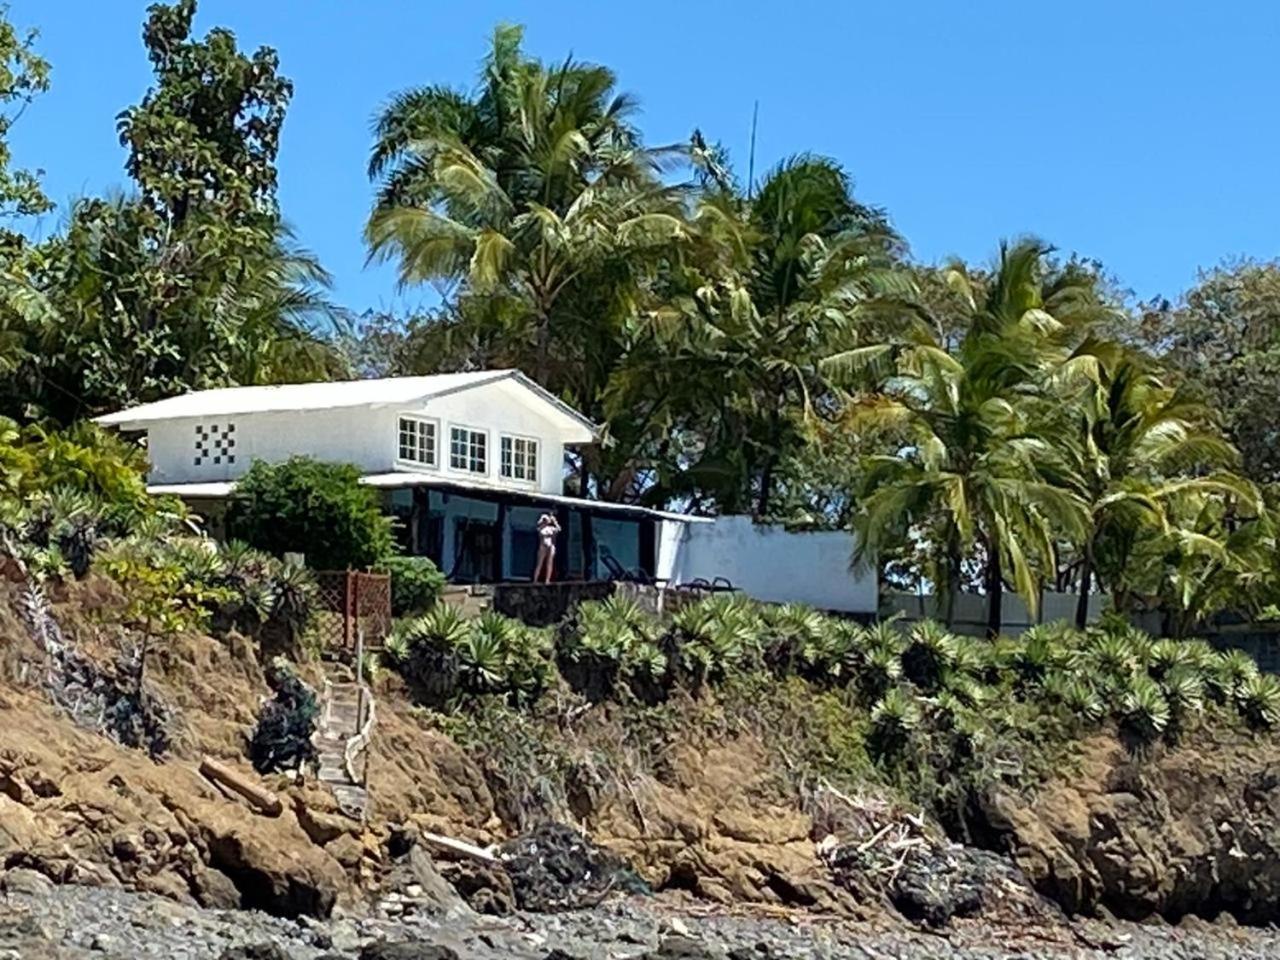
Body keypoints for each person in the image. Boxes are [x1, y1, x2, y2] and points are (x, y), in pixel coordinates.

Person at [534, 512, 561, 583]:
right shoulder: (541, 528)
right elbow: (539, 528)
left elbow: (558, 529)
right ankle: (535, 579)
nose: (545, 521)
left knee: (549, 563)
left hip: (551, 546)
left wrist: (555, 521)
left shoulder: (551, 528)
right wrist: (542, 520)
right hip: (543, 546)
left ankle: (547, 580)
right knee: (539, 563)